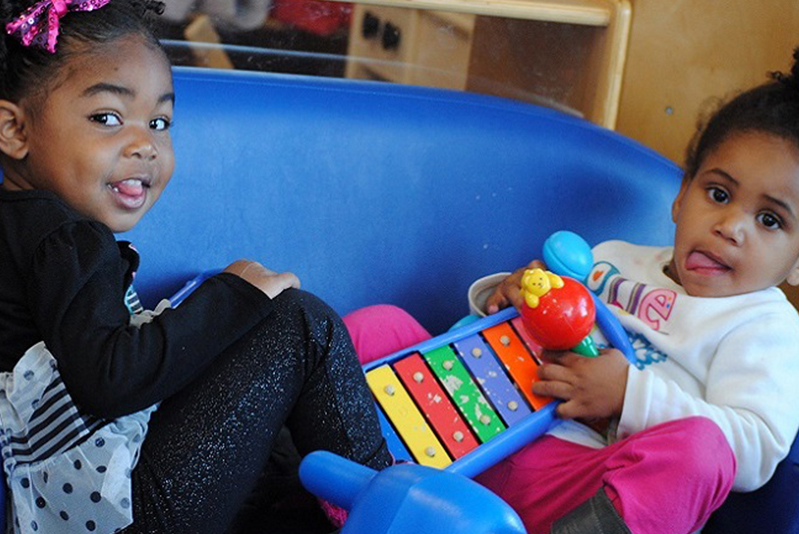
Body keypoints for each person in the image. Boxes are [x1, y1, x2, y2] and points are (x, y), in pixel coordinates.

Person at [344, 48, 799, 533]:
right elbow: (528, 332)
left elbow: (754, 449)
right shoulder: (613, 257)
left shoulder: (766, 327)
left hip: (576, 487)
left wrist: (629, 394)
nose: (731, 226)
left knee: (700, 452)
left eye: (770, 220)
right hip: (473, 431)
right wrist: (512, 294)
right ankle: (341, 485)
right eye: (719, 194)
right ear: (682, 194)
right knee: (378, 325)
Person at [0, 1, 391, 533]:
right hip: (126, 514)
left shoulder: (23, 227)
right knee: (298, 325)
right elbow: (110, 380)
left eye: (159, 122)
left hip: (83, 504)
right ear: (14, 130)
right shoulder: (65, 236)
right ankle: (390, 507)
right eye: (107, 118)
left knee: (277, 452)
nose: (144, 144)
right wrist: (233, 295)